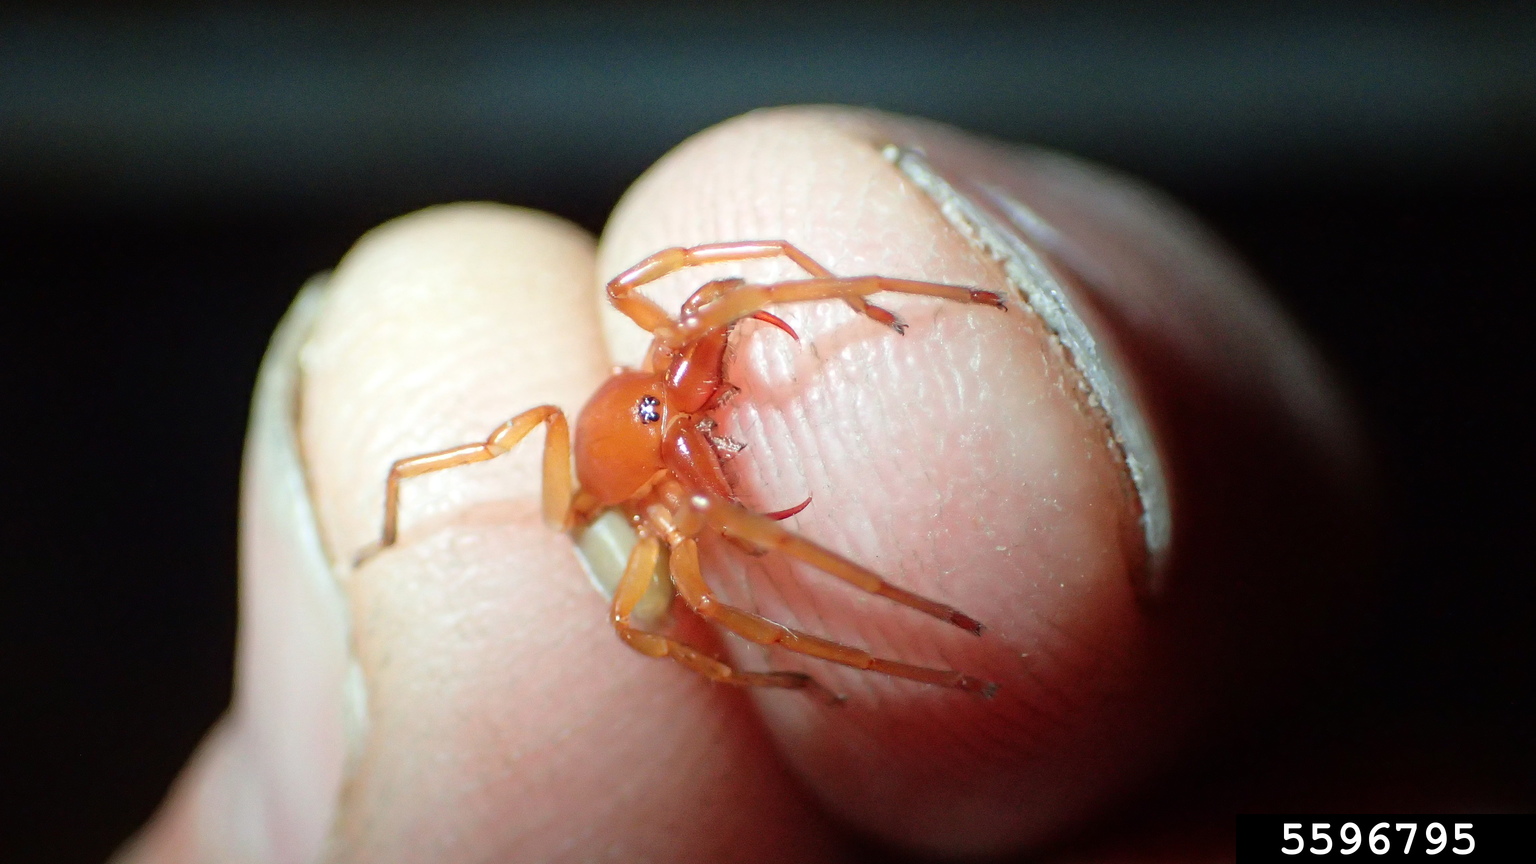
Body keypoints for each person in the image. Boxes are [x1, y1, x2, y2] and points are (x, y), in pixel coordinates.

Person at [115, 107, 1371, 863]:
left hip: (642, 446)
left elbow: (731, 274)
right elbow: (661, 591)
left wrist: (808, 275)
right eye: (679, 394)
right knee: (660, 586)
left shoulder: (666, 350)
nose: (695, 384)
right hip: (612, 521)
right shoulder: (656, 490)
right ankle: (907, 639)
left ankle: (916, 568)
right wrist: (772, 655)